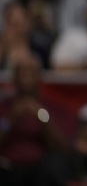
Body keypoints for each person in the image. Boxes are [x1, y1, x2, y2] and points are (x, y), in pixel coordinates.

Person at [0, 54, 73, 186]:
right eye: (22, 73)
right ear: (14, 78)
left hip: (42, 173)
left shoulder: (56, 109)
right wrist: (10, 120)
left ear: (40, 77)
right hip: (6, 171)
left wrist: (42, 117)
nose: (26, 78)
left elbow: (64, 149)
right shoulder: (3, 108)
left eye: (31, 73)